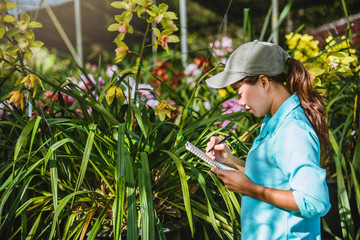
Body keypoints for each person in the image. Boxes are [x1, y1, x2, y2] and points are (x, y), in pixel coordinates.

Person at [205, 40, 331, 239]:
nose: (240, 102)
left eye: (240, 92)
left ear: (263, 82)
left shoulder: (293, 130)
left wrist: (249, 189)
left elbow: (314, 201)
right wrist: (230, 161)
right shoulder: (273, 121)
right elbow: (276, 178)